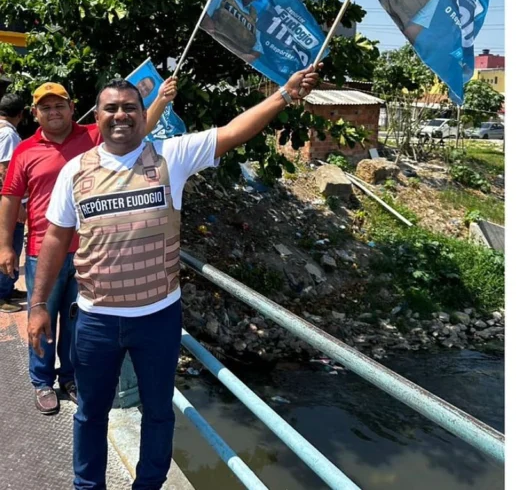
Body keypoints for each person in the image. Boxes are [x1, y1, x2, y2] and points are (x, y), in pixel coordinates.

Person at [27, 65, 318, 489]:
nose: (120, 115)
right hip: (95, 321)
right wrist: (37, 305)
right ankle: (87, 485)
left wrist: (284, 95)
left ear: (144, 115)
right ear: (96, 114)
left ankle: (149, 484)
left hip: (158, 318)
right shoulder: (75, 171)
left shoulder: (171, 155)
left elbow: (235, 131)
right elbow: (54, 239)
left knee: (159, 411)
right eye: (111, 108)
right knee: (90, 411)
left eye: (130, 108)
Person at [0, 81, 175, 415]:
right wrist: (4, 246)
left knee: (75, 322)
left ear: (72, 107)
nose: (53, 112)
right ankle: (41, 381)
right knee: (41, 316)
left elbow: (139, 129)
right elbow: (8, 199)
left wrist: (162, 102)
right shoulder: (25, 150)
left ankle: (68, 377)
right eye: (45, 107)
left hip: (90, 251)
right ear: (35, 114)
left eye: (59, 105)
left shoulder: (93, 135)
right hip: (44, 250)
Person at [201, 0, 263, 64]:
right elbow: (205, 18)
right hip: (208, 54)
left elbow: (257, 49)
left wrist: (242, 58)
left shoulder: (255, 17)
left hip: (233, 65)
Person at [0, 93, 26, 311]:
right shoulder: (8, 134)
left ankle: (8, 287)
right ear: (21, 114)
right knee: (11, 245)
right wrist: (16, 204)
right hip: (6, 200)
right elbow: (6, 171)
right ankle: (2, 294)